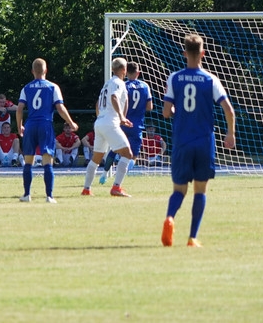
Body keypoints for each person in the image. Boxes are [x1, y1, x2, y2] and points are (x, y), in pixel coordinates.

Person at [161, 34, 236, 247]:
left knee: (179, 190)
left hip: (181, 142)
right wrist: (230, 133)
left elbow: (166, 112)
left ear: (184, 53)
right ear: (203, 53)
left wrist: (176, 111)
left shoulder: (174, 78)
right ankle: (192, 237)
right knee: (200, 191)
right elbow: (229, 110)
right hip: (204, 141)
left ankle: (170, 217)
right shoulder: (211, 79)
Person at [15, 58, 79, 203]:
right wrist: (71, 122)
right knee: (47, 161)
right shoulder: (53, 87)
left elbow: (19, 109)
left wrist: (19, 126)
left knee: (28, 161)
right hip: (45, 124)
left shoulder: (26, 88)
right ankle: (49, 196)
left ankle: (27, 194)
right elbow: (60, 108)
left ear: (32, 71)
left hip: (31, 124)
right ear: (46, 70)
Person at [82, 57, 137, 197]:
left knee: (96, 158)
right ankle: (116, 188)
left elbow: (97, 104)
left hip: (100, 122)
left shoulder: (107, 84)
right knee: (128, 154)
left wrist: (101, 117)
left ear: (112, 69)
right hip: (109, 122)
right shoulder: (119, 83)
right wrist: (121, 117)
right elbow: (114, 97)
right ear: (124, 69)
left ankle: (86, 189)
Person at [99, 61, 153, 184]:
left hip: (122, 123)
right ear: (138, 73)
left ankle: (104, 174)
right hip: (137, 125)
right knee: (132, 156)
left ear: (126, 72)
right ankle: (119, 178)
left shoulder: (123, 85)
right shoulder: (145, 86)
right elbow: (150, 107)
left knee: (114, 149)